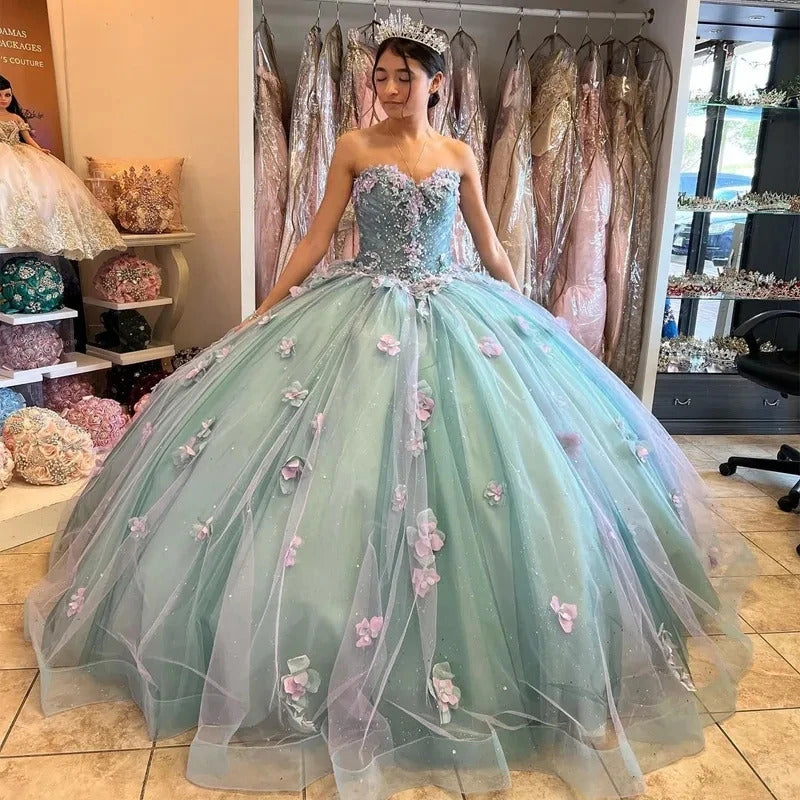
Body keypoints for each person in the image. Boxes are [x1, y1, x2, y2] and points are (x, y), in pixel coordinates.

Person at [25, 13, 752, 800]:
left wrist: (529, 314)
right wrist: (265, 310)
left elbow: (489, 244)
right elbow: (314, 239)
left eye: (406, 75)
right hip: (360, 307)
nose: (391, 87)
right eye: (381, 76)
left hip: (453, 308)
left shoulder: (459, 154)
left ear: (437, 83)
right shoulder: (353, 146)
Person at [0, 74, 124, 259]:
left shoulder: (16, 118)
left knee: (35, 187)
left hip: (20, 152)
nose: (4, 99)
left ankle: (33, 230)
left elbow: (27, 138)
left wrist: (39, 149)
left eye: (7, 95)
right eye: (0, 95)